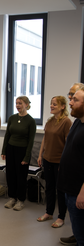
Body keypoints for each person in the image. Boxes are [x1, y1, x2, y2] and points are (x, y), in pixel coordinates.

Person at [37, 96, 72, 228]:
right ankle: (49, 213)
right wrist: (40, 155)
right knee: (49, 187)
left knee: (61, 190)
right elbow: (45, 139)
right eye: (51, 104)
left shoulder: (67, 122)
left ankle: (61, 217)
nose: (51, 106)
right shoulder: (50, 121)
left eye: (55, 104)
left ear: (63, 106)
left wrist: (64, 163)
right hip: (47, 159)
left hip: (59, 161)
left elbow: (68, 144)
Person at [57, 87, 84, 246]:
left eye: (75, 100)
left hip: (79, 191)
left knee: (81, 233)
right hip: (70, 186)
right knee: (77, 226)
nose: (70, 103)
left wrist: (83, 191)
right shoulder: (77, 123)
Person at [1, 96, 36, 211]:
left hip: (22, 151)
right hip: (11, 149)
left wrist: (26, 156)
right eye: (16, 103)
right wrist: (4, 150)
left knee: (21, 176)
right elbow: (7, 135)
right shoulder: (12, 118)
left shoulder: (31, 121)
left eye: (20, 103)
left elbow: (31, 141)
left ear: (26, 104)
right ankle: (12, 198)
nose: (17, 105)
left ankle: (21, 200)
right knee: (10, 174)